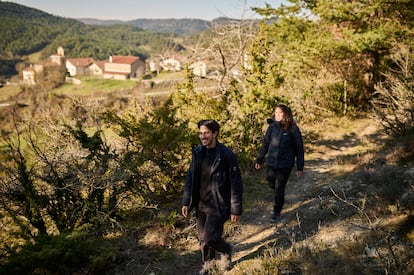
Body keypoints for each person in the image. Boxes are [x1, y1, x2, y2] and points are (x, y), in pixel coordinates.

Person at [181, 119, 243, 274]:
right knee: (203, 239)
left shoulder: (226, 154)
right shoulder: (197, 153)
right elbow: (190, 178)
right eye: (201, 133)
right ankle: (208, 266)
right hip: (201, 203)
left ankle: (226, 250)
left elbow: (236, 183)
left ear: (215, 133)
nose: (203, 136)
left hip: (219, 204)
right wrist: (186, 201)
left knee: (210, 237)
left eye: (206, 133)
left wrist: (235, 208)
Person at [255, 104, 304, 223]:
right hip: (271, 162)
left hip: (285, 164)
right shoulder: (272, 127)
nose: (277, 115)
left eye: (279, 113)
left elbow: (299, 148)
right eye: (275, 113)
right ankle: (278, 196)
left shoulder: (293, 129)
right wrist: (259, 160)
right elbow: (265, 144)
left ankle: (276, 213)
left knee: (279, 188)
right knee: (270, 182)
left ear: (285, 114)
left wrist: (300, 166)